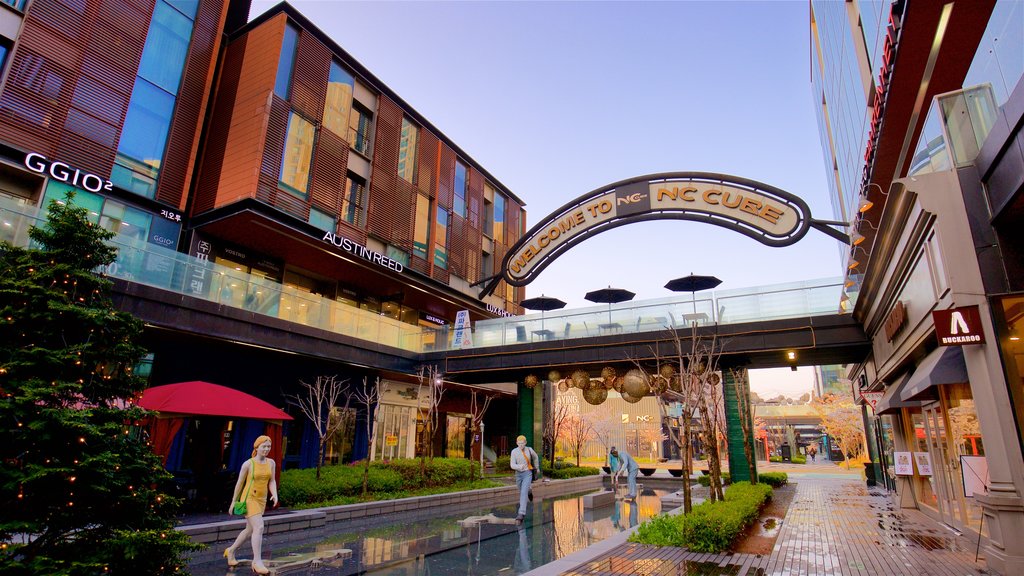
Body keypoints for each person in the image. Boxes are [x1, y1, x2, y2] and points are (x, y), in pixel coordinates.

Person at [224, 435, 279, 575]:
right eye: (264, 446)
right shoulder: (248, 464)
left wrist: (275, 494)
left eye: (268, 446)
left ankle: (231, 551)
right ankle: (257, 561)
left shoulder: (271, 463)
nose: (266, 449)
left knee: (249, 530)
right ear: (257, 447)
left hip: (262, 499)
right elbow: (239, 484)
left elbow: (271, 481)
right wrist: (233, 502)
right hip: (250, 499)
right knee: (259, 527)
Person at [509, 435, 539, 523]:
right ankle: (529, 491)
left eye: (522, 443)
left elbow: (536, 457)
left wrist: (537, 467)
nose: (521, 445)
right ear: (516, 443)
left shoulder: (529, 450)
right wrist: (519, 466)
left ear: (525, 443)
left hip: (527, 473)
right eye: (519, 443)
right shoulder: (514, 452)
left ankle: (521, 513)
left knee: (523, 492)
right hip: (518, 474)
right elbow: (512, 465)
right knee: (521, 489)